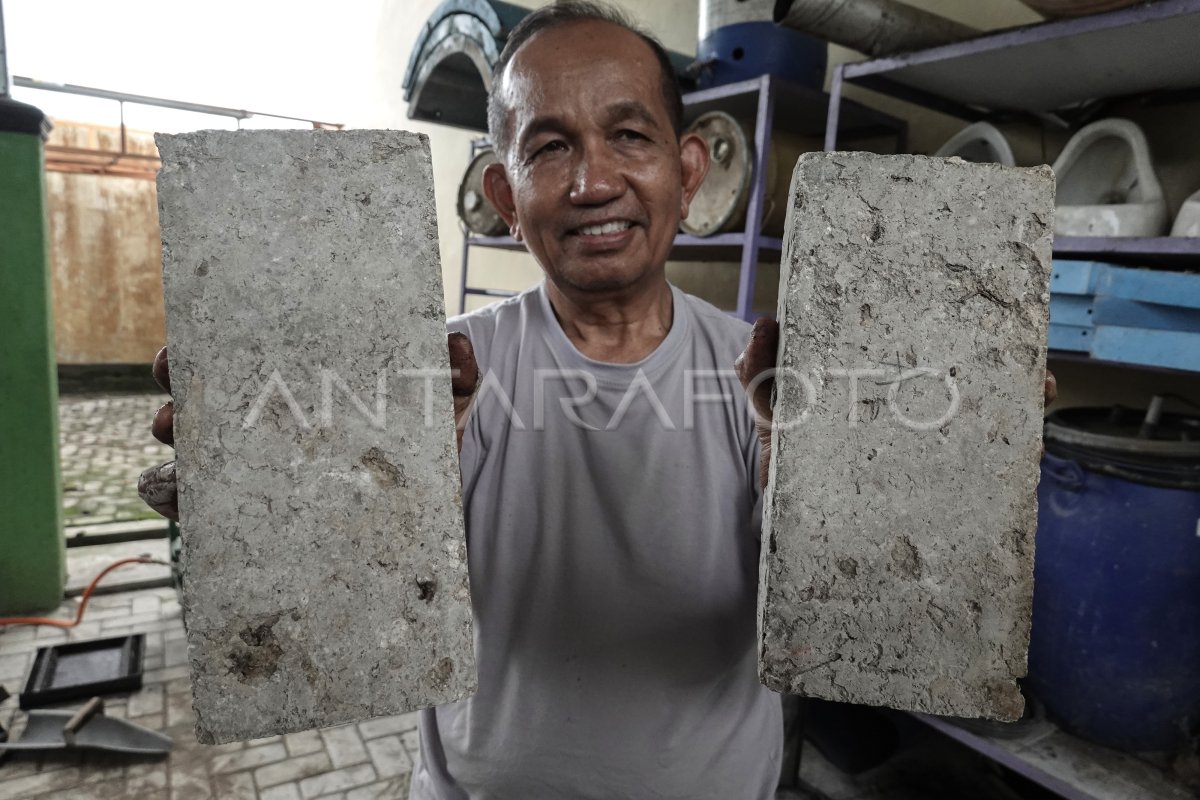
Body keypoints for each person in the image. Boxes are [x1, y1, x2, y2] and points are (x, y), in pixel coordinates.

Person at [139, 3, 1057, 797]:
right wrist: (271, 516)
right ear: (503, 193)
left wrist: (928, 481)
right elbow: (339, 604)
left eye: (630, 135)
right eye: (549, 147)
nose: (592, 182)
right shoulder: (434, 379)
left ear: (688, 169)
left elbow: (877, 617)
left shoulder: (772, 379)